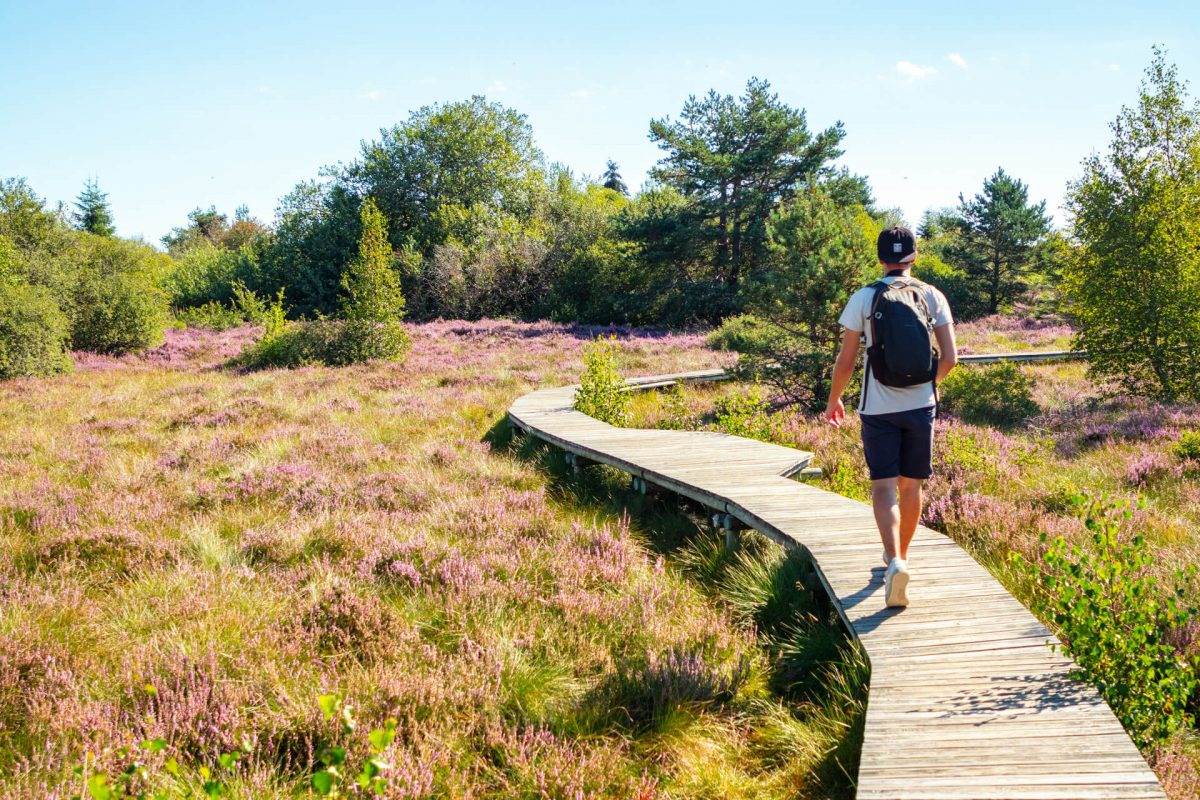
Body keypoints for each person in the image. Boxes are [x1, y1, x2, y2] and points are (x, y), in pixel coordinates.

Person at [823, 226, 957, 608]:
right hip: (920, 407)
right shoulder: (932, 296)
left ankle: (893, 560)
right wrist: (926, 389)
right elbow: (950, 358)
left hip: (877, 410)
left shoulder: (864, 298)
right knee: (911, 486)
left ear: (880, 258)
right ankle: (902, 558)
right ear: (914, 257)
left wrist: (834, 400)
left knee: (883, 487)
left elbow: (846, 360)